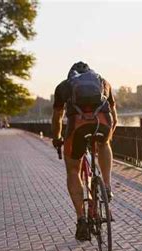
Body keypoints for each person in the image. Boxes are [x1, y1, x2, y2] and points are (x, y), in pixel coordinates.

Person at [51, 61, 118, 241]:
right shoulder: (104, 82)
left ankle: (81, 219)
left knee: (73, 170)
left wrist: (57, 138)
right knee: (105, 144)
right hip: (103, 124)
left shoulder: (64, 87)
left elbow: (57, 117)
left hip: (77, 128)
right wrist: (108, 134)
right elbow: (114, 114)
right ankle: (107, 185)